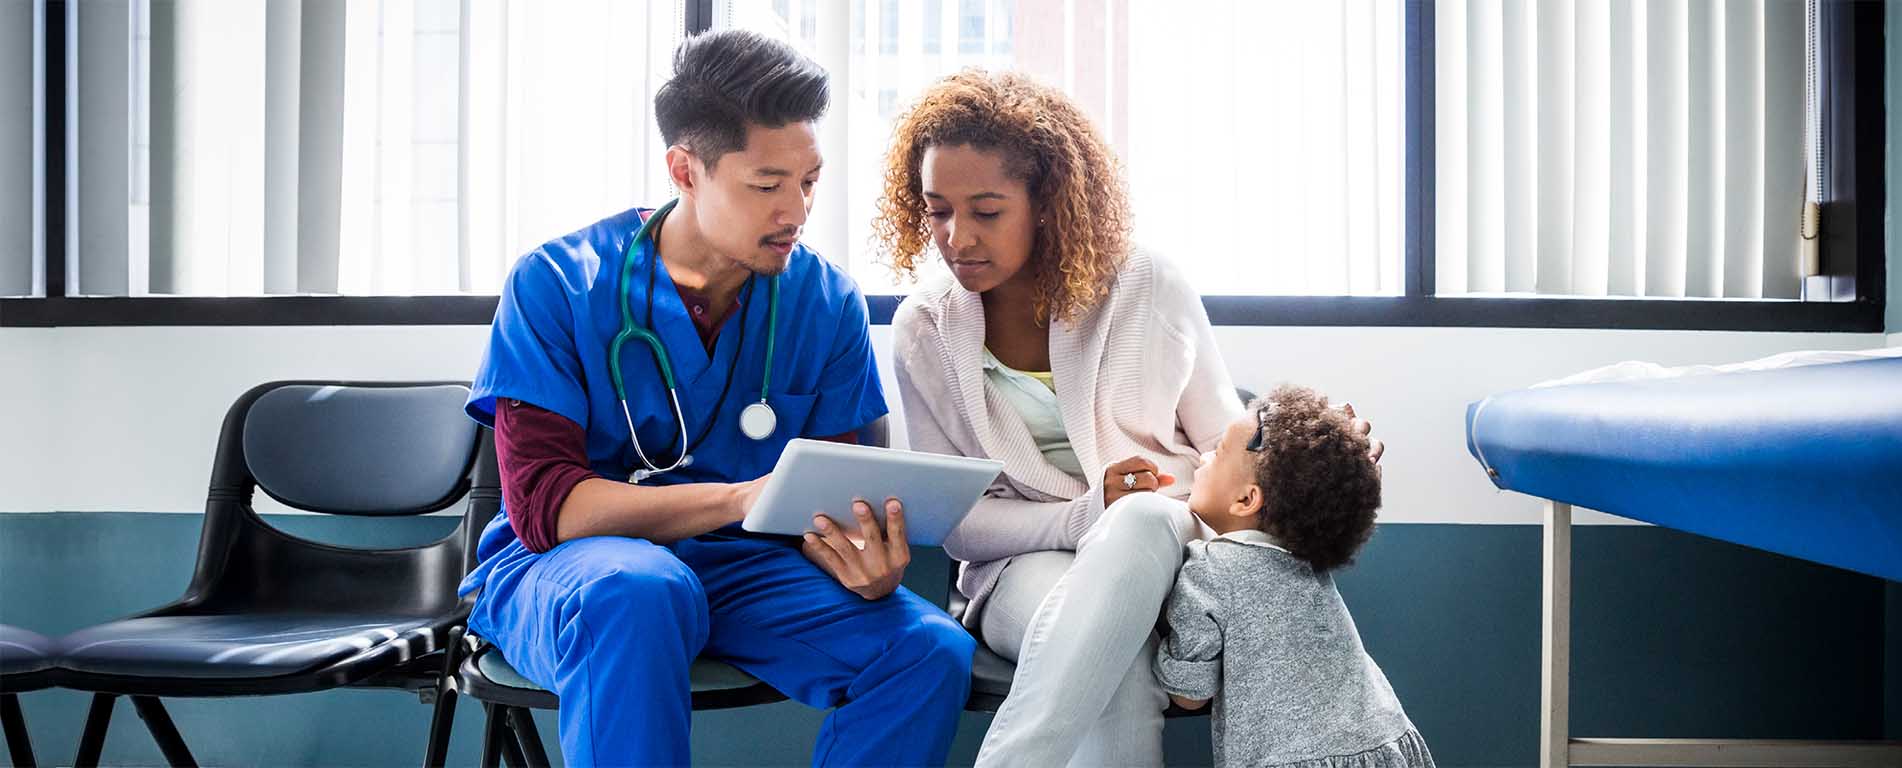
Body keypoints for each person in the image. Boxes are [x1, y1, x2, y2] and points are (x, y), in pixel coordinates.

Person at [458, 29, 973, 768]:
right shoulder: (557, 283)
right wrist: (739, 500)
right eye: (766, 185)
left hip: (746, 569)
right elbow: (547, 509)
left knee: (927, 649)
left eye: (809, 181)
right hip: (573, 571)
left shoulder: (824, 301)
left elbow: (840, 489)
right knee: (641, 591)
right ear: (685, 170)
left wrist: (867, 559)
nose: (796, 209)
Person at [878, 69, 1386, 767]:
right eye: (937, 210)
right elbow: (960, 524)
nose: (955, 237)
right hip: (1017, 572)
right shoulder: (923, 330)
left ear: (1047, 203)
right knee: (1110, 656)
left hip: (1173, 554)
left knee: (1142, 519)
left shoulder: (1148, 286)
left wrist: (1323, 456)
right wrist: (1090, 513)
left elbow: (1225, 443)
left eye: (986, 211)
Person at [1157, 385, 1434, 768]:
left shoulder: (1211, 567)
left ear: (1246, 500)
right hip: (1385, 744)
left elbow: (1190, 694)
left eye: (1216, 453)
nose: (1201, 458)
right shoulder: (1307, 562)